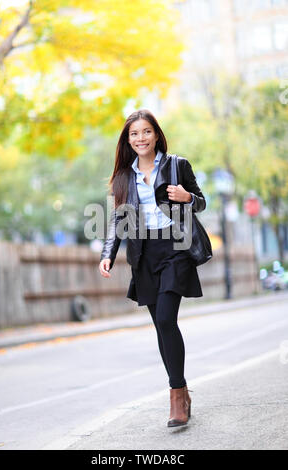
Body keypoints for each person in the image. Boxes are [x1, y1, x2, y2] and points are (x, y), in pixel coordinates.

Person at [98, 109, 206, 427]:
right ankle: (182, 391)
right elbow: (118, 219)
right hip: (144, 254)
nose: (140, 138)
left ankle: (176, 397)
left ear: (156, 134)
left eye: (146, 132)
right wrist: (108, 253)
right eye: (134, 134)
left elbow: (201, 201)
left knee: (165, 317)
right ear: (127, 140)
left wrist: (187, 197)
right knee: (161, 327)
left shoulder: (177, 165)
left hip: (175, 248)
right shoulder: (123, 177)